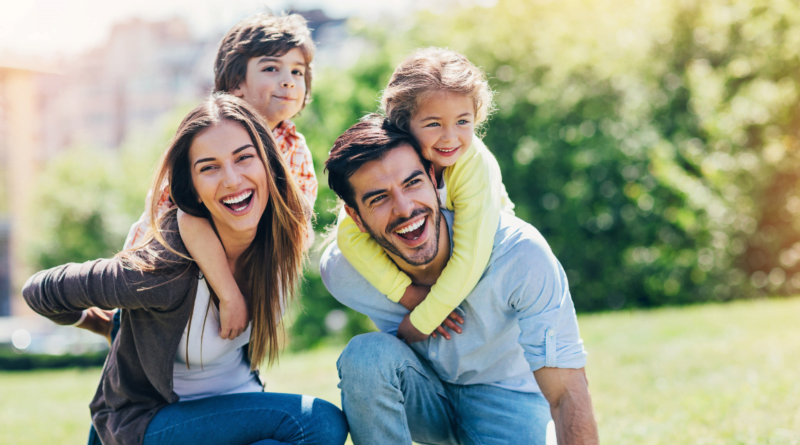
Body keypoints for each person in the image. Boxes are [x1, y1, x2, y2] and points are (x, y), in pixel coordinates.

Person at [23, 94, 348, 445]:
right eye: (209, 167)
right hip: (153, 421)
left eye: (244, 158)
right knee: (318, 423)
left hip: (232, 407)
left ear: (268, 163)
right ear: (191, 186)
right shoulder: (164, 268)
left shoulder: (282, 238)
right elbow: (39, 291)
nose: (232, 179)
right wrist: (103, 324)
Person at [321, 116, 598, 444]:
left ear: (434, 180)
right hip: (424, 394)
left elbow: (567, 392)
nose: (404, 208)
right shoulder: (344, 273)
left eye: (412, 183)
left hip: (508, 400)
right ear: (356, 218)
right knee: (365, 356)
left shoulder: (518, 254)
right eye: (378, 198)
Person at [89, 12, 319, 342]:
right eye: (271, 68)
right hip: (172, 259)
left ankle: (112, 324)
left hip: (240, 260)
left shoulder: (293, 147)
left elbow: (299, 219)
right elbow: (185, 218)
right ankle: (114, 323)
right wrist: (229, 294)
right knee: (148, 335)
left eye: (297, 71)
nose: (289, 80)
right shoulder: (212, 135)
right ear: (237, 84)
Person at [336, 48, 515, 343]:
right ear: (403, 124)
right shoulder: (396, 159)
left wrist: (421, 321)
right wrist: (407, 295)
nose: (449, 137)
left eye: (463, 121)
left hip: (488, 255)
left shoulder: (474, 165)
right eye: (433, 123)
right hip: (428, 270)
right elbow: (348, 234)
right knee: (334, 260)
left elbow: (470, 258)